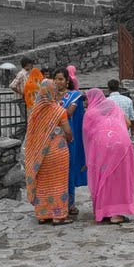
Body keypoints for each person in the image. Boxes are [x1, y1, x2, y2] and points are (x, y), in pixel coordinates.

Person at [83, 88, 134, 224]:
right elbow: (128, 123)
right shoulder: (114, 107)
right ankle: (116, 214)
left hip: (102, 147)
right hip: (122, 144)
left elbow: (87, 134)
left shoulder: (90, 113)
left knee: (104, 178)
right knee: (119, 179)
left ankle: (104, 211)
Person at [24, 80, 73, 225]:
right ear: (52, 92)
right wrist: (69, 139)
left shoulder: (35, 112)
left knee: (43, 182)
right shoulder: (58, 111)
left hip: (40, 152)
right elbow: (68, 131)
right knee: (58, 182)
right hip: (57, 150)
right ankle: (58, 216)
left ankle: (43, 215)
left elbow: (31, 133)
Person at [53, 67, 87, 216]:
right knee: (54, 171)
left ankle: (69, 204)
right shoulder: (50, 96)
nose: (57, 82)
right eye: (55, 79)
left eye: (60, 79)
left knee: (69, 170)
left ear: (67, 81)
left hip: (69, 139)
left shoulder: (74, 96)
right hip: (52, 139)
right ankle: (54, 204)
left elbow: (69, 113)